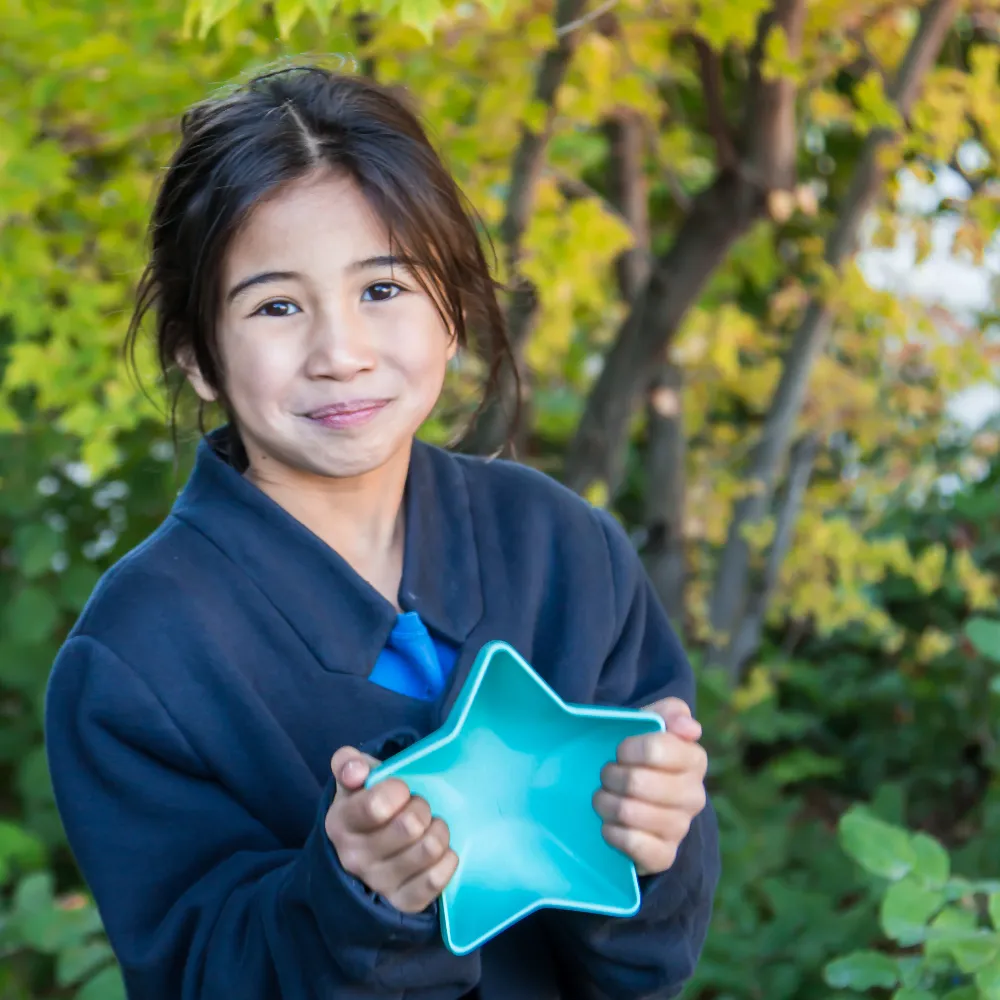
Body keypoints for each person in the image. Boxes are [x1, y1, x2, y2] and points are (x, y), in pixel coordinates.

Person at [44, 65, 719, 1000]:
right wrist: (355, 899)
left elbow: (652, 963)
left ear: (452, 311)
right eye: (277, 306)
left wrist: (656, 843)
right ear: (197, 353)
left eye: (384, 288)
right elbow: (198, 973)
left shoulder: (563, 548)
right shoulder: (138, 657)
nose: (340, 353)